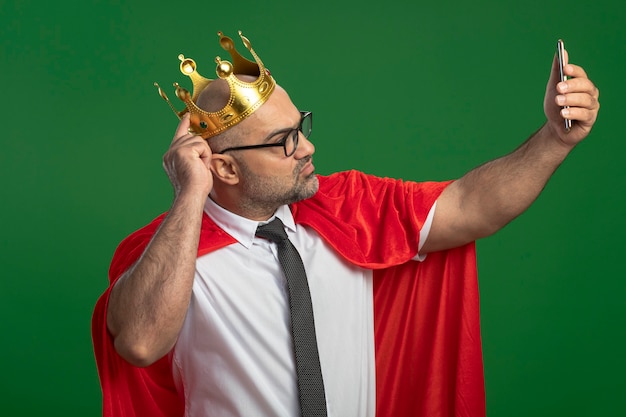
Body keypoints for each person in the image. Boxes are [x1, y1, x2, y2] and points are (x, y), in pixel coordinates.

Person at [92, 32, 599, 417]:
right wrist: (189, 195)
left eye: (301, 126)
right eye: (284, 141)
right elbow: (139, 342)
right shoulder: (165, 256)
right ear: (223, 167)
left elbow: (471, 205)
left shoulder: (349, 206)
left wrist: (555, 140)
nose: (308, 147)